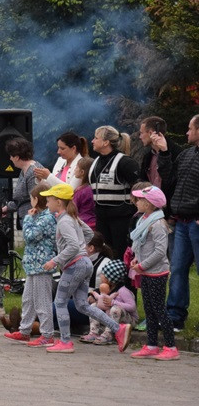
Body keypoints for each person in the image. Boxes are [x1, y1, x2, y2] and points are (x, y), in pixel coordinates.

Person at [39, 183, 132, 354]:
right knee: (82, 305)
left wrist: (55, 260)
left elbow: (73, 246)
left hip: (75, 266)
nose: (47, 203)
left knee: (60, 302)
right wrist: (82, 250)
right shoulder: (73, 218)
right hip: (84, 264)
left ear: (59, 202)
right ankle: (117, 328)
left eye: (49, 200)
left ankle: (65, 342)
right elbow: (89, 234)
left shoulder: (65, 221)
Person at [127, 184, 179, 359]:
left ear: (148, 203)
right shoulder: (144, 220)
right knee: (149, 310)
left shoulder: (157, 224)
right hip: (146, 272)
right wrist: (137, 259)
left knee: (159, 310)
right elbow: (141, 244)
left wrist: (142, 265)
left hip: (156, 273)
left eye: (140, 199)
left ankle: (171, 347)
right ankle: (151, 345)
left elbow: (160, 251)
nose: (136, 202)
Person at [4, 183, 57, 346]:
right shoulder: (39, 217)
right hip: (33, 266)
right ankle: (24, 331)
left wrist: (27, 219)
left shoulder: (47, 218)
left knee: (42, 302)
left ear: (36, 199)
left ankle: (47, 335)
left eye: (31, 198)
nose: (30, 202)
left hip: (42, 266)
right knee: (28, 300)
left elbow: (30, 236)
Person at [165, 114, 199, 332]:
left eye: (190, 128)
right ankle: (174, 317)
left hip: (196, 223)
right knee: (177, 268)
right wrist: (171, 213)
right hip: (181, 222)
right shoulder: (186, 155)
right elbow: (170, 181)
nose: (187, 132)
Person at [88, 125, 141, 260]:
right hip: (101, 218)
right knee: (103, 254)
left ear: (106, 142)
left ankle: (125, 274)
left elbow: (140, 188)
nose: (92, 141)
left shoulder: (125, 162)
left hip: (121, 219)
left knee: (120, 254)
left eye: (96, 138)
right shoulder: (95, 162)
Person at [81, 260, 136, 345]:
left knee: (115, 309)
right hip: (111, 317)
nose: (101, 276)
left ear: (110, 279)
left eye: (103, 274)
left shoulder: (123, 291)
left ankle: (108, 334)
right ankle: (94, 332)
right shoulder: (105, 289)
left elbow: (132, 307)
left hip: (128, 321)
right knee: (93, 306)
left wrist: (113, 302)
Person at [138, 116, 181, 200]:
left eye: (141, 133)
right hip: (151, 203)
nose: (140, 137)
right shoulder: (148, 157)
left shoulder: (178, 154)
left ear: (150, 133)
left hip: (169, 204)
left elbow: (174, 182)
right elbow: (144, 182)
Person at [4, 137, 41, 224]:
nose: (10, 159)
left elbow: (37, 203)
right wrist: (6, 208)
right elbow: (21, 200)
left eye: (11, 156)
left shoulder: (33, 172)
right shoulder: (24, 171)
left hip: (34, 224)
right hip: (27, 222)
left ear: (17, 157)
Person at [71, 157, 96, 228]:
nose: (74, 169)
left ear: (82, 172)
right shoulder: (95, 188)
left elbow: (73, 209)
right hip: (95, 223)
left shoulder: (81, 191)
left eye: (76, 167)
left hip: (83, 224)